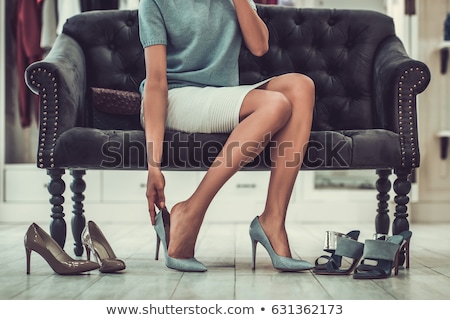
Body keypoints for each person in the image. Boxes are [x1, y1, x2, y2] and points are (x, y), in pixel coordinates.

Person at [139, 0, 315, 272]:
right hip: (177, 97)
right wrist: (154, 165)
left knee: (301, 87)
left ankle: (273, 221)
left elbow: (259, 46)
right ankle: (191, 211)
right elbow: (156, 83)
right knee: (276, 104)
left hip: (220, 94)